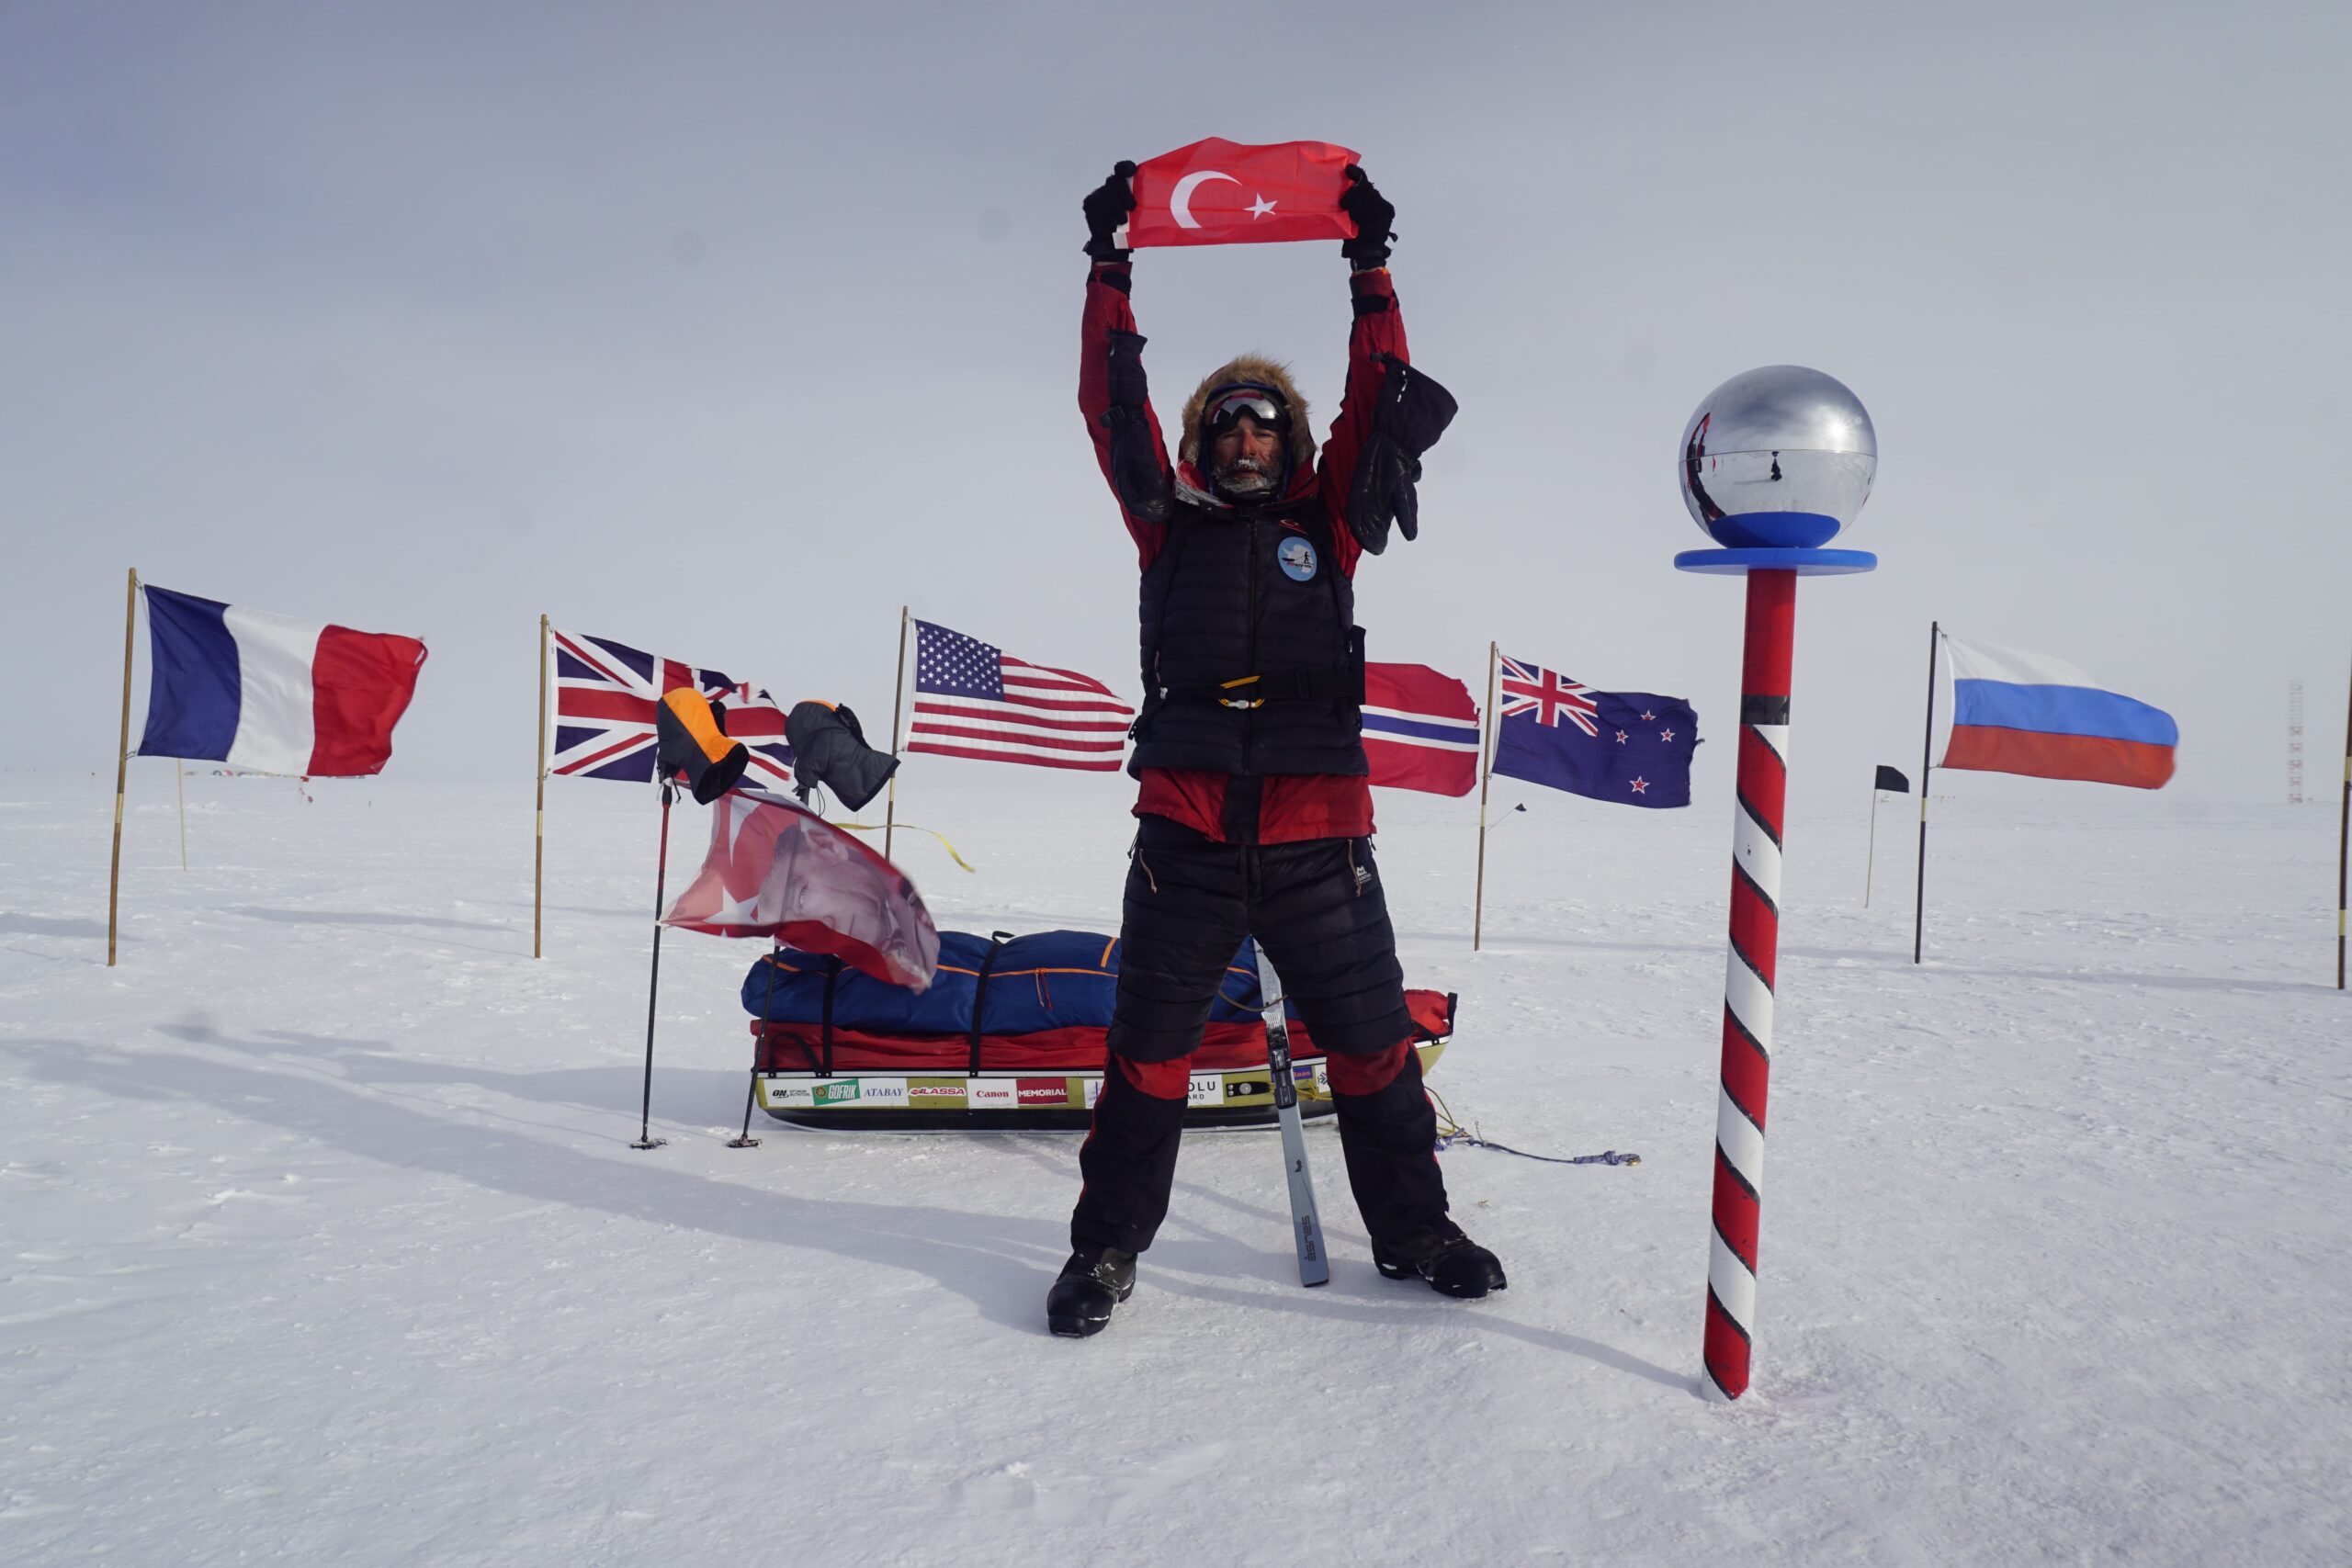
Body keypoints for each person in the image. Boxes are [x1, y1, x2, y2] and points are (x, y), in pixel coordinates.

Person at [1049, 158, 1501, 1337]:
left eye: (1265, 422)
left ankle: (1412, 1232)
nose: (1245, 435)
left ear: (1289, 442)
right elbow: (1111, 408)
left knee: (1373, 1052)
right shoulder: (1163, 525)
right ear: (1203, 443)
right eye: (1226, 422)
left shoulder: (1328, 521)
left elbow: (1374, 392)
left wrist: (1369, 268)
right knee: (1147, 1061)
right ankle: (1105, 1249)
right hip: (1185, 843)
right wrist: (1109, 269)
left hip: (1318, 845)